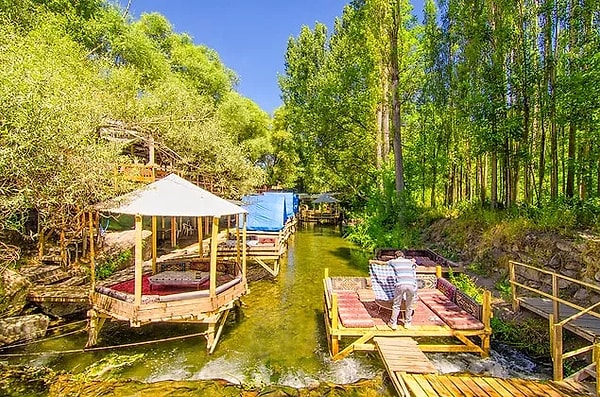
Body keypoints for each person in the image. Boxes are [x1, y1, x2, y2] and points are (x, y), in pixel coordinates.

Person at [370, 251, 417, 330]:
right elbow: (414, 263)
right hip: (411, 285)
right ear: (403, 256)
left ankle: (393, 323)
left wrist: (372, 261)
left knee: (396, 305)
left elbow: (382, 263)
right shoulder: (409, 261)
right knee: (409, 305)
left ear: (395, 256)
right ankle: (407, 323)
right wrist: (413, 261)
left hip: (401, 285)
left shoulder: (394, 261)